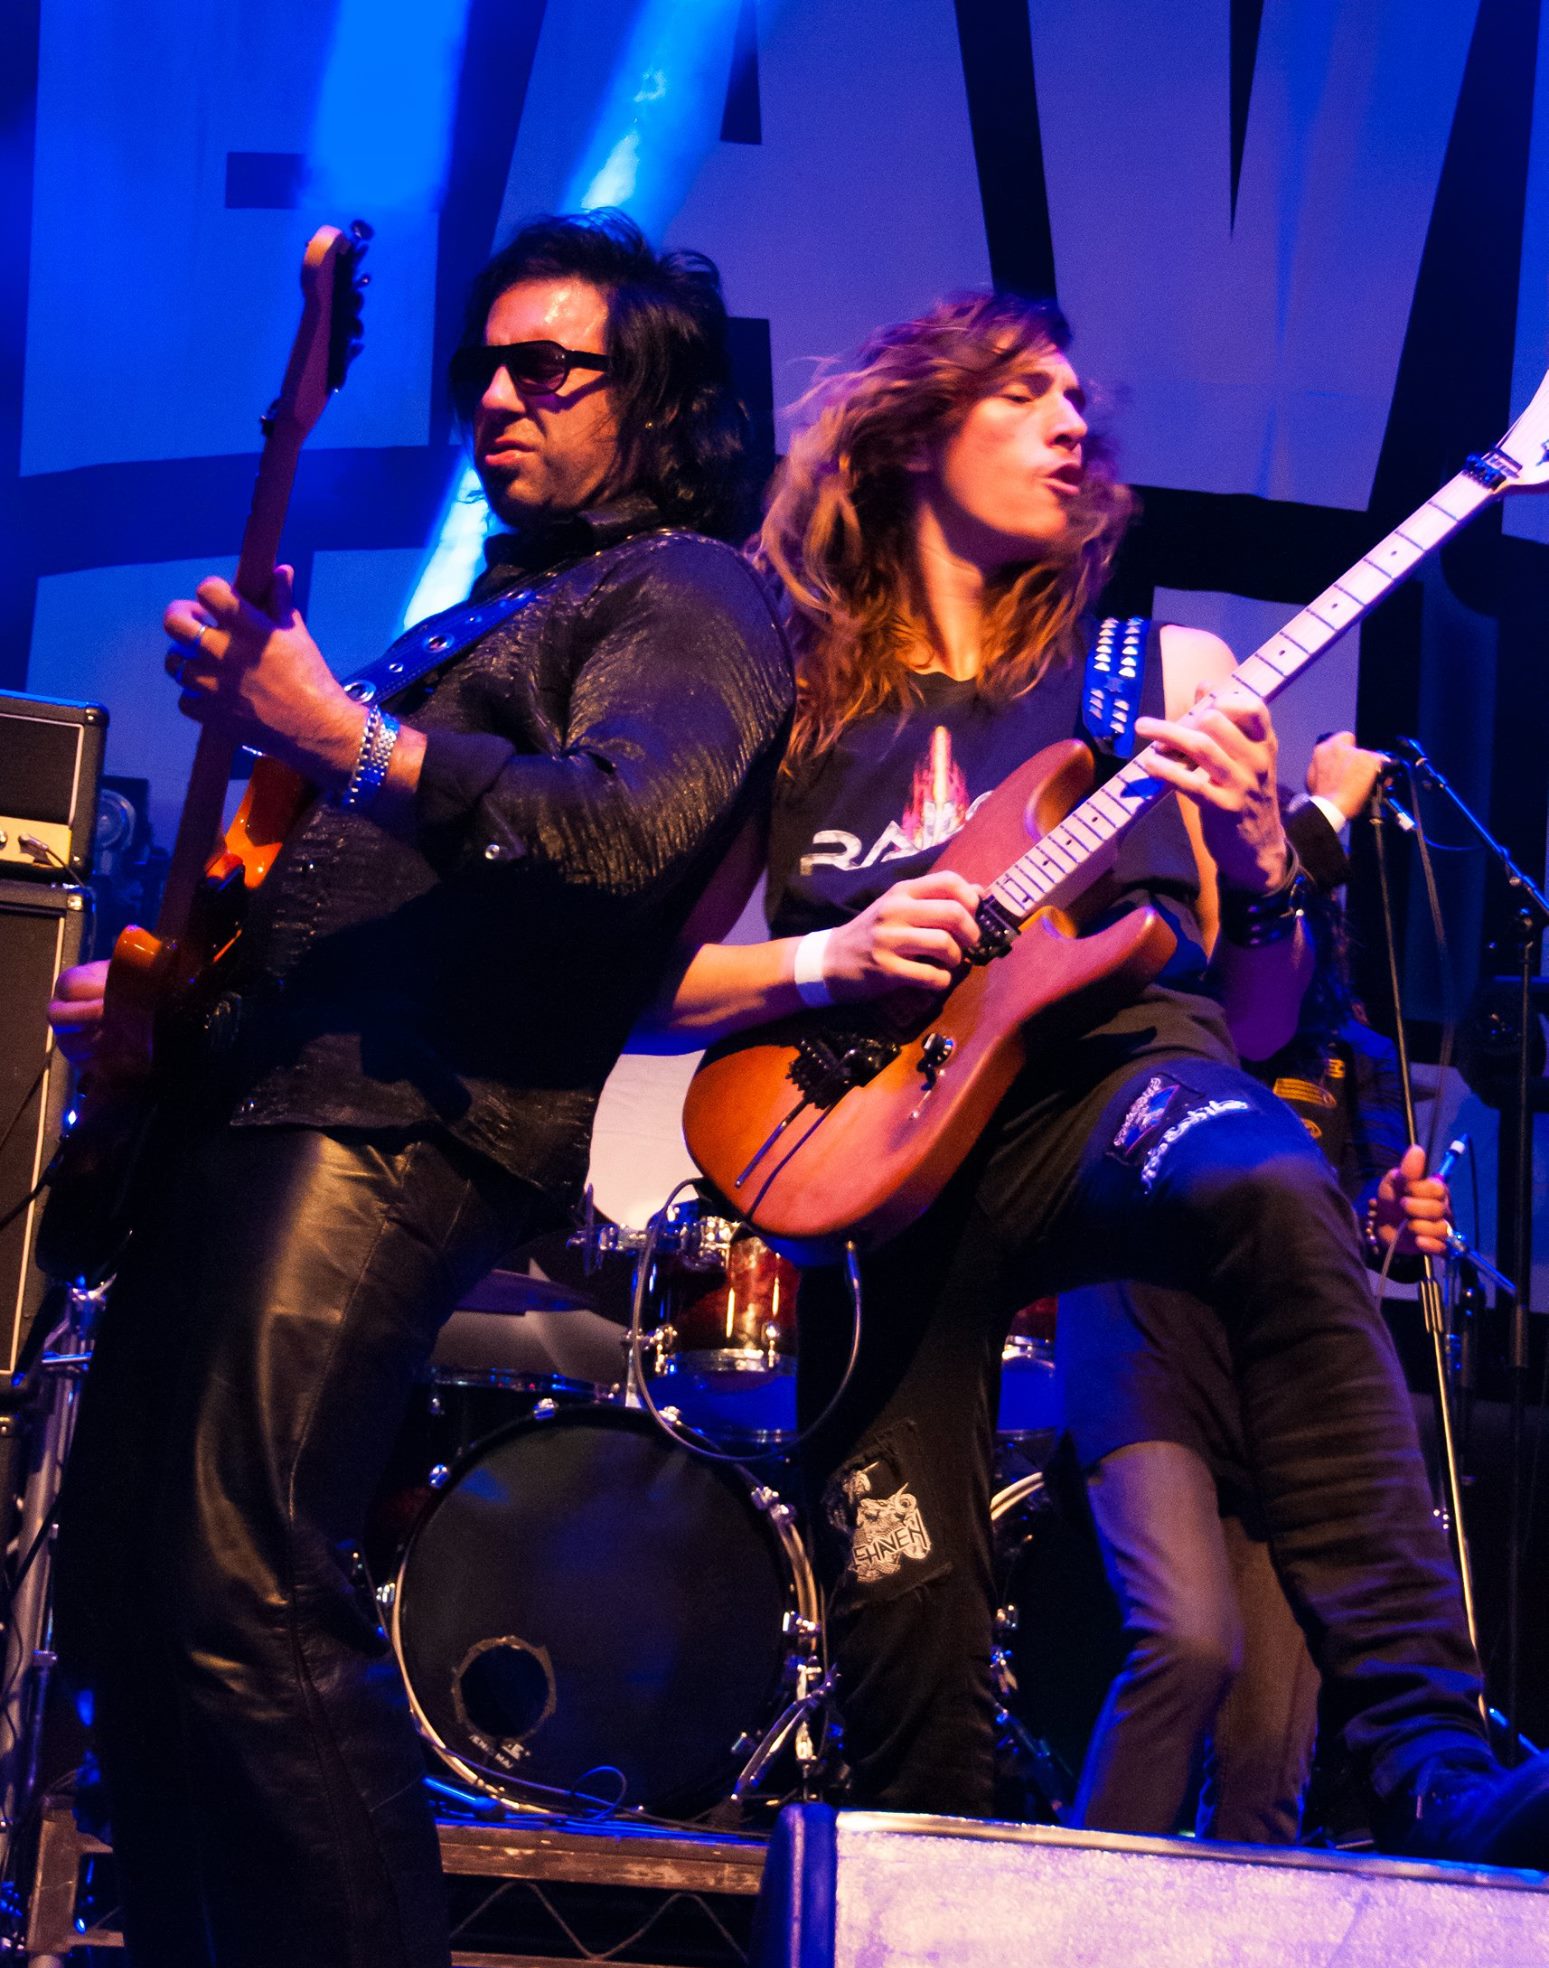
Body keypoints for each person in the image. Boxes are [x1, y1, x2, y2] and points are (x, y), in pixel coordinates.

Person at [645, 288, 1549, 1864]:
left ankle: (1428, 1754)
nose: (1071, 420)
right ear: (911, 435)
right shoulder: (797, 700)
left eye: (1078, 398)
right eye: (1022, 392)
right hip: (881, 1178)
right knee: (903, 1623)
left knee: (1262, 1179)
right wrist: (829, 960)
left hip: (1114, 1095)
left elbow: (1259, 1018)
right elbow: (654, 989)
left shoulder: (1156, 672)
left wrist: (1262, 864)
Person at [46, 211, 792, 1968]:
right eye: (484, 368)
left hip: (393, 1126)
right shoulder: (483, 615)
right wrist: (170, 998)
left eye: (550, 367)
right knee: (135, 1597)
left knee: (242, 1572)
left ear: (658, 400)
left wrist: (342, 734)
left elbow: (619, 832)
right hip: (257, 1110)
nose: (500, 398)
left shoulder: (696, 592)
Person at [1062, 734, 1454, 1845]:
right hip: (1142, 1325)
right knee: (1186, 1644)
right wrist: (1319, 822)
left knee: (1269, 1746)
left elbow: (1348, 1229)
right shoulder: (1183, 995)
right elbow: (1236, 1020)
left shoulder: (1349, 1053)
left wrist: (1385, 1227)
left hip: (1273, 1371)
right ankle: (1069, 1924)